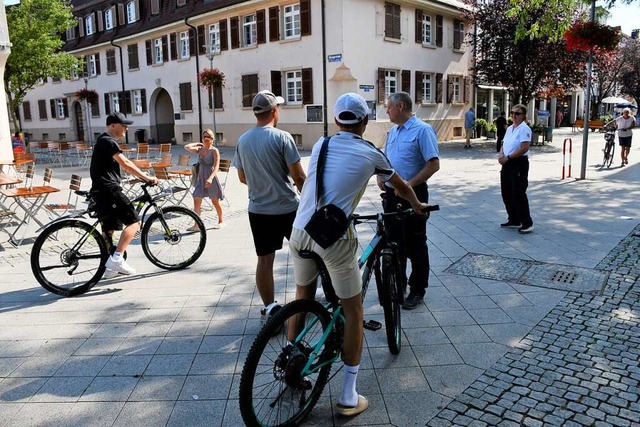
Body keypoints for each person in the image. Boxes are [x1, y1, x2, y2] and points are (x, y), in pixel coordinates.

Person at [290, 93, 430, 417]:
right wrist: (417, 206)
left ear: (337, 121)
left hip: (300, 229)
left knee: (302, 295)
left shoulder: (320, 146)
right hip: (332, 238)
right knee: (353, 311)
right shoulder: (371, 153)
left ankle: (291, 361)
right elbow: (401, 187)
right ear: (365, 122)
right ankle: (349, 397)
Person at [234, 90, 306, 321]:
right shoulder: (283, 137)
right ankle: (307, 300)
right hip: (287, 208)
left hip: (259, 211)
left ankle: (271, 307)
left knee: (265, 261)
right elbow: (299, 178)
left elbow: (242, 178)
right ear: (274, 111)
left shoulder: (243, 140)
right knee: (306, 254)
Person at [379, 92, 440, 310]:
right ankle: (399, 285)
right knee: (395, 244)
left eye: (389, 107)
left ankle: (417, 290)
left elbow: (433, 164)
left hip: (414, 195)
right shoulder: (393, 131)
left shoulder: (422, 130)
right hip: (391, 197)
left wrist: (409, 185)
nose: (386, 111)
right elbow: (386, 160)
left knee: (415, 245)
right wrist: (380, 176)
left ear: (401, 105)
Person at [90, 112, 158, 278]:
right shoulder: (108, 141)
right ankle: (117, 259)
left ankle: (109, 268)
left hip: (101, 190)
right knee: (134, 222)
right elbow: (126, 163)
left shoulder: (102, 140)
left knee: (109, 228)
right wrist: (146, 177)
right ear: (113, 125)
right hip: (109, 190)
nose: (126, 129)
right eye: (124, 125)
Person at [498, 104, 533, 234]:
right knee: (506, 192)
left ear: (523, 116)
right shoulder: (510, 128)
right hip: (507, 162)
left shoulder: (524, 129)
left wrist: (508, 157)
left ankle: (527, 222)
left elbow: (524, 147)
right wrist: (501, 155)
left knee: (518, 192)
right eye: (512, 113)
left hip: (518, 162)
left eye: (517, 113)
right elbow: (504, 143)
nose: (514, 115)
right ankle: (514, 218)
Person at [184, 129, 224, 230]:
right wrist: (198, 143)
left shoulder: (215, 150)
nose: (206, 139)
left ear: (212, 139)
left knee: (215, 201)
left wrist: (210, 178)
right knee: (196, 199)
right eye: (204, 137)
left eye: (208, 137)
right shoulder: (200, 150)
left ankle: (221, 220)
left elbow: (216, 167)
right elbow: (186, 147)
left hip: (211, 177)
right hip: (200, 178)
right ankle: (197, 225)